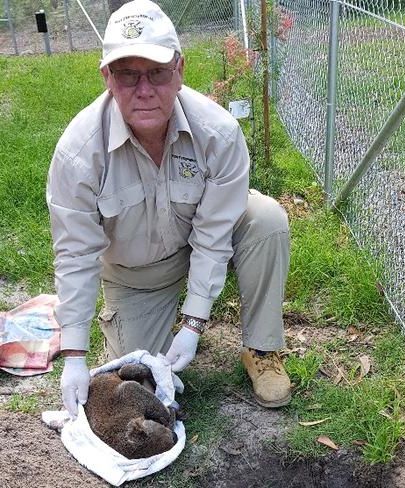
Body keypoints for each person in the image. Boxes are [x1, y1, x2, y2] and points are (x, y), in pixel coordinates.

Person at [47, 0, 292, 420]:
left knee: (266, 219)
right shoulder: (78, 154)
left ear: (180, 70)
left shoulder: (218, 133)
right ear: (107, 77)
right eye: (127, 74)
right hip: (135, 275)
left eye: (157, 73)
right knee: (134, 383)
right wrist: (73, 354)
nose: (144, 90)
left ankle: (262, 348)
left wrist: (194, 322)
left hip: (198, 243)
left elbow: (215, 235)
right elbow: (76, 255)